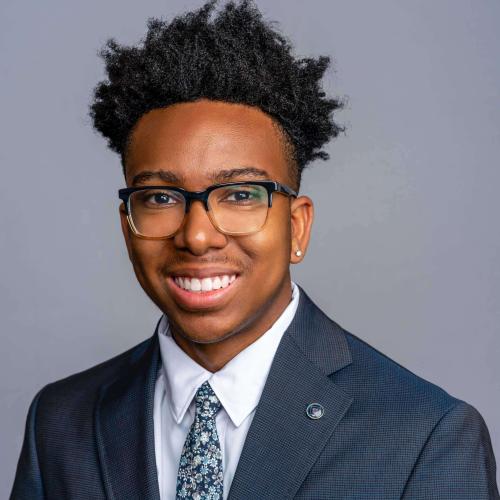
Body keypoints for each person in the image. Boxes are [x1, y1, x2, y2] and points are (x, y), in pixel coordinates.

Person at [10, 1, 498, 498]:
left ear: (297, 226)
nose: (197, 236)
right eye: (160, 197)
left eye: (241, 195)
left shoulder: (426, 436)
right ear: (127, 224)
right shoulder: (60, 420)